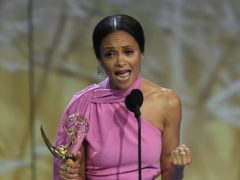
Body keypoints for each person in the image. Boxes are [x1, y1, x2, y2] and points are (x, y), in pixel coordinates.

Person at [54, 14, 192, 180]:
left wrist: (178, 169)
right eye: (110, 54)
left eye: (128, 52)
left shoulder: (167, 102)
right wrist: (69, 176)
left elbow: (171, 176)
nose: (120, 61)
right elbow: (74, 172)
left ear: (141, 52)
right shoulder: (83, 104)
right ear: (100, 58)